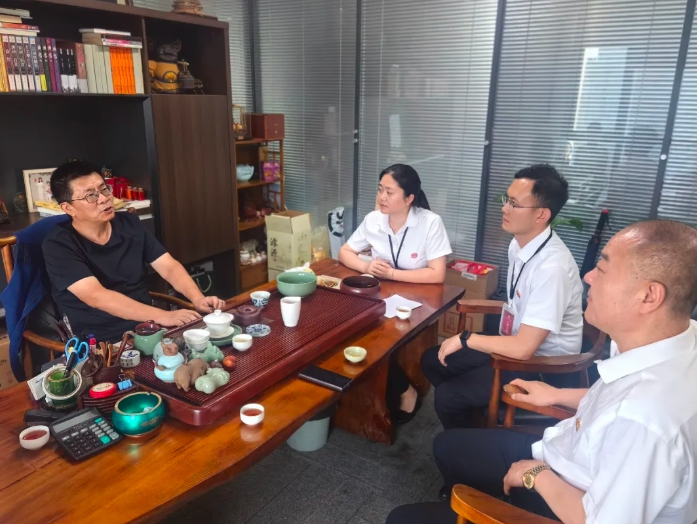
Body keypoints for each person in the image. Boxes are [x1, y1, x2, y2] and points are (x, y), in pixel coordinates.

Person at [386, 220, 697, 524]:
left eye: (602, 269)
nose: (588, 276)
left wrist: (537, 474)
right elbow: (616, 400)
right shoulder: (678, 339)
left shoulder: (646, 420)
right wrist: (557, 395)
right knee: (446, 443)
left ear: (649, 296)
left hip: (566, 487)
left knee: (401, 518)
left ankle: (486, 504)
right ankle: (481, 489)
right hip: (566, 448)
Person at [421, 164, 583, 431]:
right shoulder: (518, 244)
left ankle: (469, 444)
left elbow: (524, 348)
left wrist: (466, 338)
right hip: (515, 344)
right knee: (433, 360)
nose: (504, 208)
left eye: (514, 204)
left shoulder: (552, 269)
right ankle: (476, 418)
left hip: (542, 366)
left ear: (542, 214)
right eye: (507, 200)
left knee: (448, 397)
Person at [42, 160, 226, 343]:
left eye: (104, 189)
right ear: (68, 208)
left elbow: (168, 266)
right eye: (90, 195)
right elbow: (96, 296)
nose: (104, 198)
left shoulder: (129, 224)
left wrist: (198, 299)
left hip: (148, 326)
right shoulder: (58, 245)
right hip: (98, 340)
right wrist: (164, 316)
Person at [339, 164, 452, 422]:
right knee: (352, 332)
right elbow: (345, 252)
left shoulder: (430, 222)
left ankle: (405, 391)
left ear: (409, 198)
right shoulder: (373, 219)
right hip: (381, 297)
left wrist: (391, 274)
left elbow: (437, 274)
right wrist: (366, 267)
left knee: (376, 340)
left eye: (389, 192)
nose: (382, 197)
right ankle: (365, 395)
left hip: (419, 302)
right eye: (380, 190)